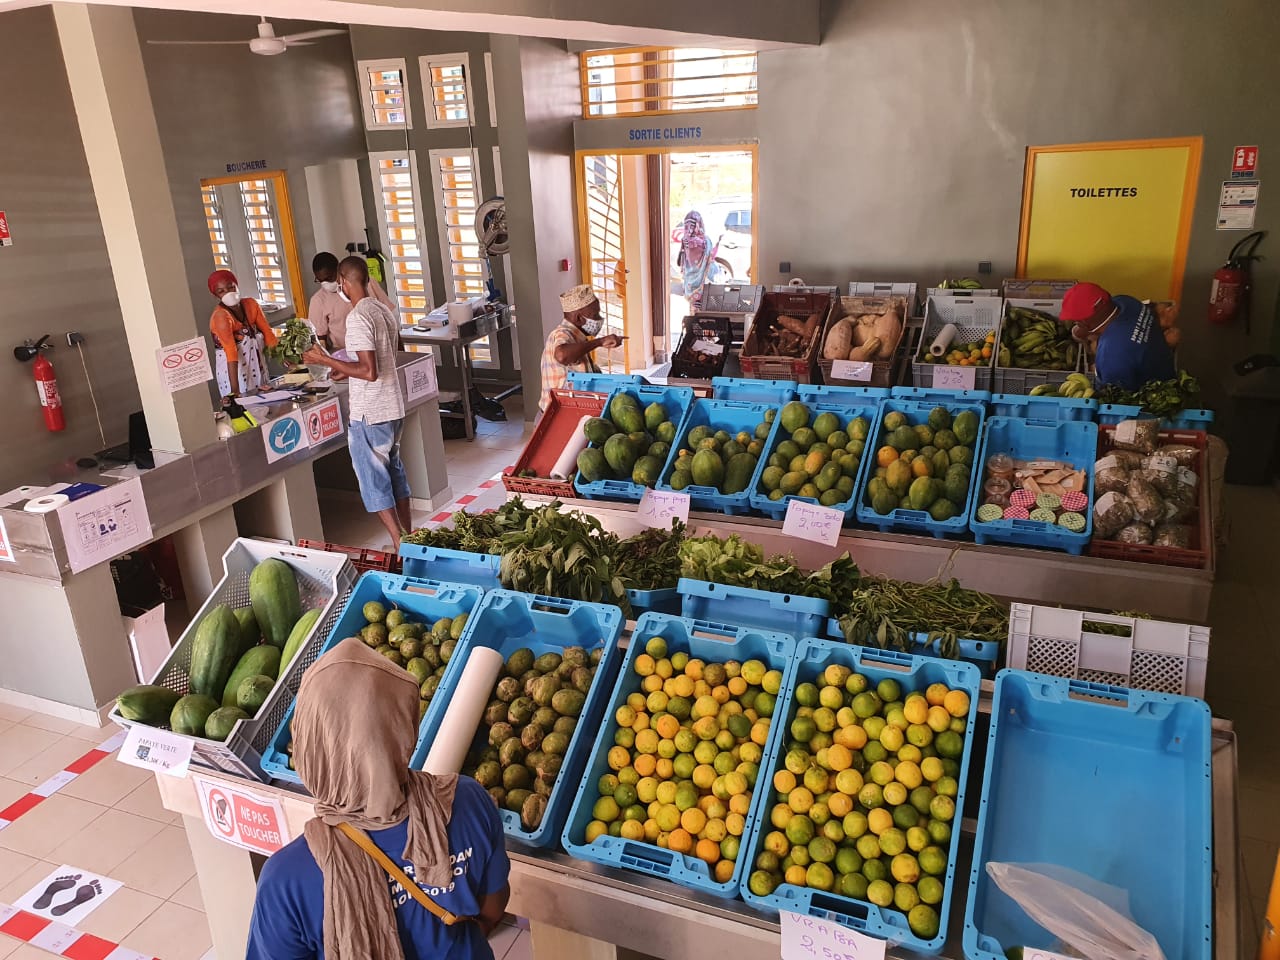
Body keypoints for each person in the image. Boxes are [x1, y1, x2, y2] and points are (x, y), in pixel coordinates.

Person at [246, 639, 511, 960]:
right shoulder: (468, 801)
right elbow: (493, 909)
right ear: (408, 727)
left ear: (307, 748)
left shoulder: (287, 881)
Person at [302, 257, 410, 545]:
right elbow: (376, 361)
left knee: (374, 481)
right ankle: (412, 536)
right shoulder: (380, 310)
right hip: (392, 408)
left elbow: (369, 371)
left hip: (370, 414)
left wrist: (322, 359)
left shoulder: (358, 317)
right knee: (394, 473)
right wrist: (343, 371)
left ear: (345, 282)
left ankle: (400, 541)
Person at [1058, 282, 1177, 392]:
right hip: (1164, 368)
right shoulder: (1127, 302)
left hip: (1150, 397)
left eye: (1077, 320)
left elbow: (1114, 399)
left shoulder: (1112, 355)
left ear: (1085, 322)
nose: (1075, 323)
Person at [539, 284, 625, 412]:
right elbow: (562, 355)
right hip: (556, 415)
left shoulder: (579, 339)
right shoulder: (561, 334)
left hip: (571, 410)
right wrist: (599, 342)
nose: (599, 319)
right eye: (595, 315)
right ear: (579, 318)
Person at [309, 251, 398, 354]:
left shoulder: (366, 284)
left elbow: (390, 316)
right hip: (345, 354)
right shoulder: (318, 300)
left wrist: (401, 352)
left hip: (381, 349)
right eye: (320, 280)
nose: (326, 283)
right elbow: (320, 340)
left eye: (329, 278)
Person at [208, 269, 278, 398]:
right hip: (236, 374)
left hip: (257, 367)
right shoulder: (221, 317)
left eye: (231, 287)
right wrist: (235, 391)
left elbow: (268, 333)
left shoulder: (251, 304)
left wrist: (286, 360)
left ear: (237, 285)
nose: (228, 293)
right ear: (215, 295)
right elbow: (231, 352)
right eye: (221, 291)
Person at [676, 210, 719, 312]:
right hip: (704, 286)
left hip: (691, 286)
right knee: (706, 316)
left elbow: (683, 263)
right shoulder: (705, 241)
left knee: (694, 316)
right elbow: (710, 258)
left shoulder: (685, 240)